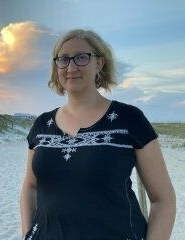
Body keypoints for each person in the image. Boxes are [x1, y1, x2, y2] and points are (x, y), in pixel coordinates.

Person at [20, 29, 176, 240]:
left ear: (99, 64)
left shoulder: (129, 119)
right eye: (63, 59)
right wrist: (27, 234)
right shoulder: (41, 125)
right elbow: (30, 187)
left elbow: (163, 199)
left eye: (81, 57)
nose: (71, 67)